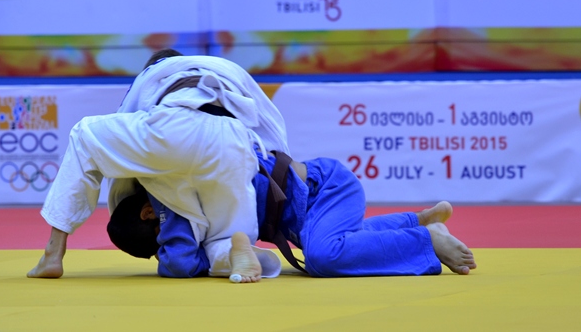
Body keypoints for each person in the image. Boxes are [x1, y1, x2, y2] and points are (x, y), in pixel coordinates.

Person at [27, 49, 289, 283]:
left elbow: (123, 150)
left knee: (84, 136)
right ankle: (235, 254)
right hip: (232, 140)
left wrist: (132, 198)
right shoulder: (225, 68)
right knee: (224, 236)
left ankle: (53, 253)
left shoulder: (154, 73)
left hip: (174, 128)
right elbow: (270, 122)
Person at [108, 149, 477, 278]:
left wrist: (167, 234)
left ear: (149, 212)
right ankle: (417, 222)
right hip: (311, 209)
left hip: (325, 188)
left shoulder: (173, 189)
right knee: (339, 242)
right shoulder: (179, 204)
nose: (171, 246)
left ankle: (424, 242)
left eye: (161, 242)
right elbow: (187, 260)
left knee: (324, 256)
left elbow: (179, 262)